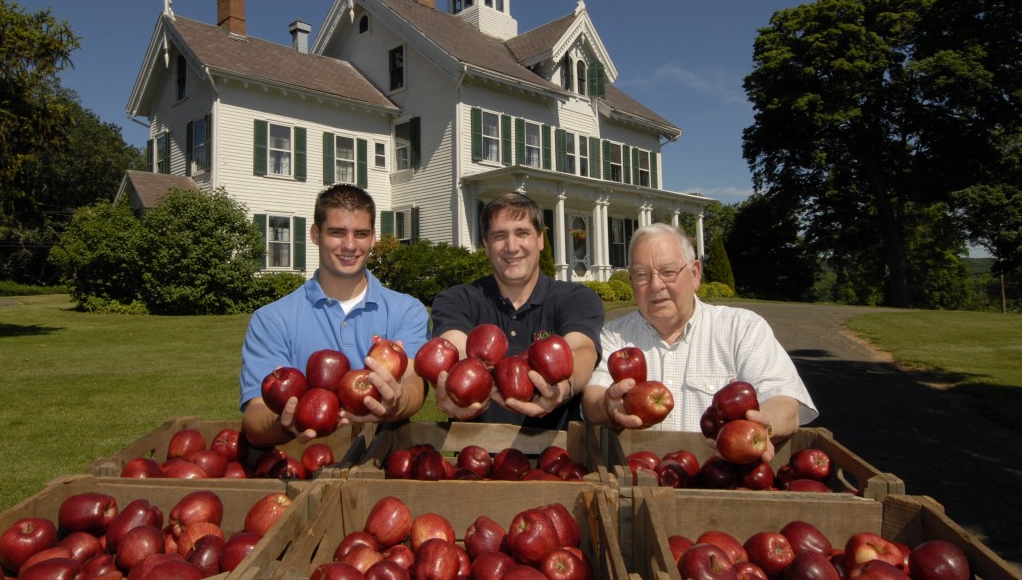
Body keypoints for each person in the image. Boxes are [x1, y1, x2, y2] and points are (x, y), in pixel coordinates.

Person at [581, 223, 817, 461]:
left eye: (668, 271)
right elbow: (594, 397)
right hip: (637, 480)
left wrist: (761, 425)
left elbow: (785, 400)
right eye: (641, 275)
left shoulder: (741, 328)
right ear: (632, 281)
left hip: (720, 483)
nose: (655, 285)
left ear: (695, 274)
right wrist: (607, 408)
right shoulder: (614, 336)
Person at [238, 184, 430, 447]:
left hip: (385, 468)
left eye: (360, 233)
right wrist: (285, 423)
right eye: (337, 232)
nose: (350, 245)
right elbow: (254, 416)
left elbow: (413, 382)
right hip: (300, 471)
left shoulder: (406, 311)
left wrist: (397, 402)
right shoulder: (271, 320)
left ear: (374, 237)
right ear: (316, 234)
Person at [430, 192, 605, 429]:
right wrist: (458, 385)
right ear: (486, 245)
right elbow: (457, 350)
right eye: (500, 236)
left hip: (560, 459)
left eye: (522, 233)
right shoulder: (456, 300)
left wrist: (565, 386)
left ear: (540, 240)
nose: (512, 247)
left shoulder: (577, 299)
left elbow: (581, 349)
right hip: (478, 459)